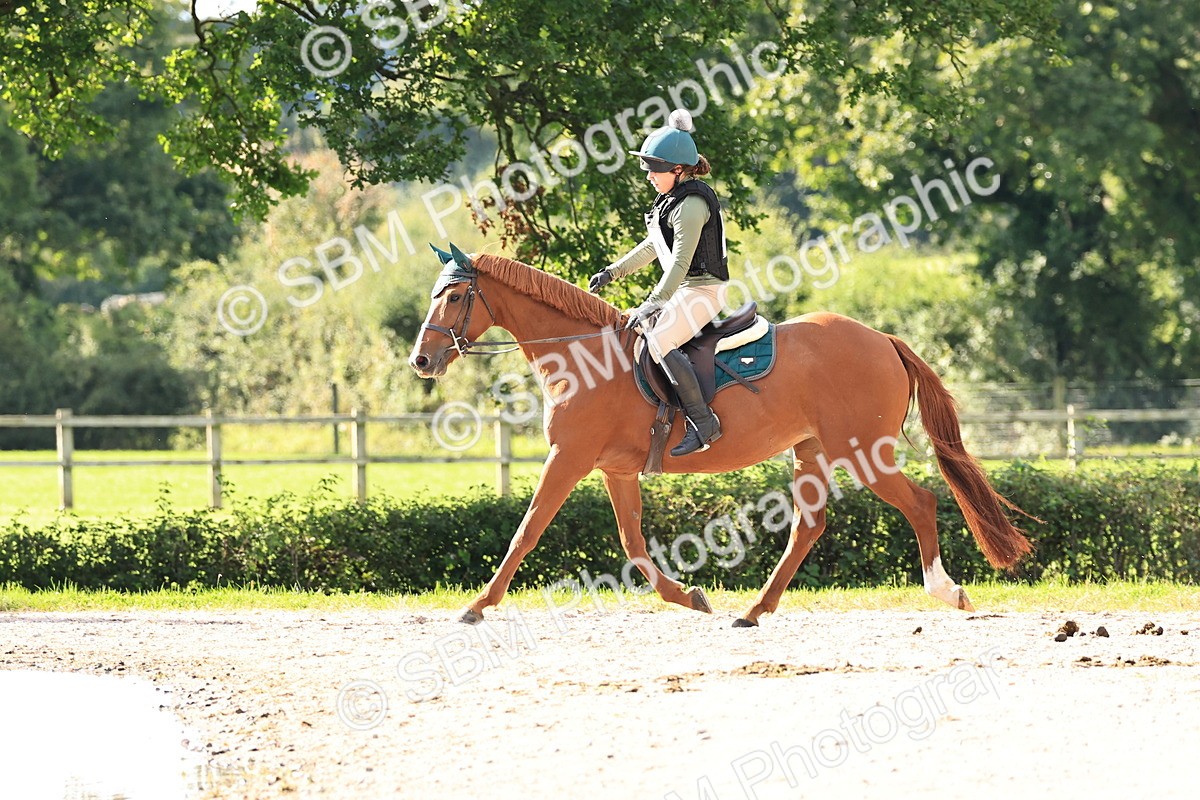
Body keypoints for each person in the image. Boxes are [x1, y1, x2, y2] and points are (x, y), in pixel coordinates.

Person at [588, 108, 730, 456]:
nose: (649, 175)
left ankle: (703, 422)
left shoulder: (692, 204)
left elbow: (681, 261)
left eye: (656, 169)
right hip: (684, 290)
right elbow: (654, 246)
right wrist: (613, 271)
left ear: (678, 170)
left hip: (704, 291)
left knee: (660, 339)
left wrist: (654, 300)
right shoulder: (670, 200)